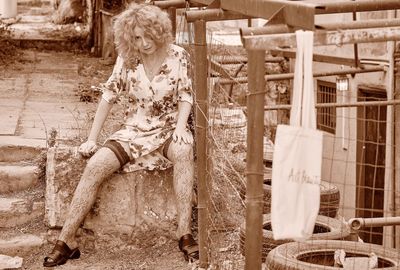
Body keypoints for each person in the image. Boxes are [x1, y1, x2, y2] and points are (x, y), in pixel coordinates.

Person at [43, 3, 199, 267]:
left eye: (148, 35)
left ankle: (184, 234)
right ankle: (67, 240)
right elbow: (108, 96)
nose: (144, 42)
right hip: (133, 131)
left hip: (167, 129)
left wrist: (182, 128)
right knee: (95, 165)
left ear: (158, 31)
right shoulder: (128, 59)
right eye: (137, 37)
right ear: (129, 37)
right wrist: (92, 139)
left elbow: (185, 95)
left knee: (184, 151)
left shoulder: (178, 56)